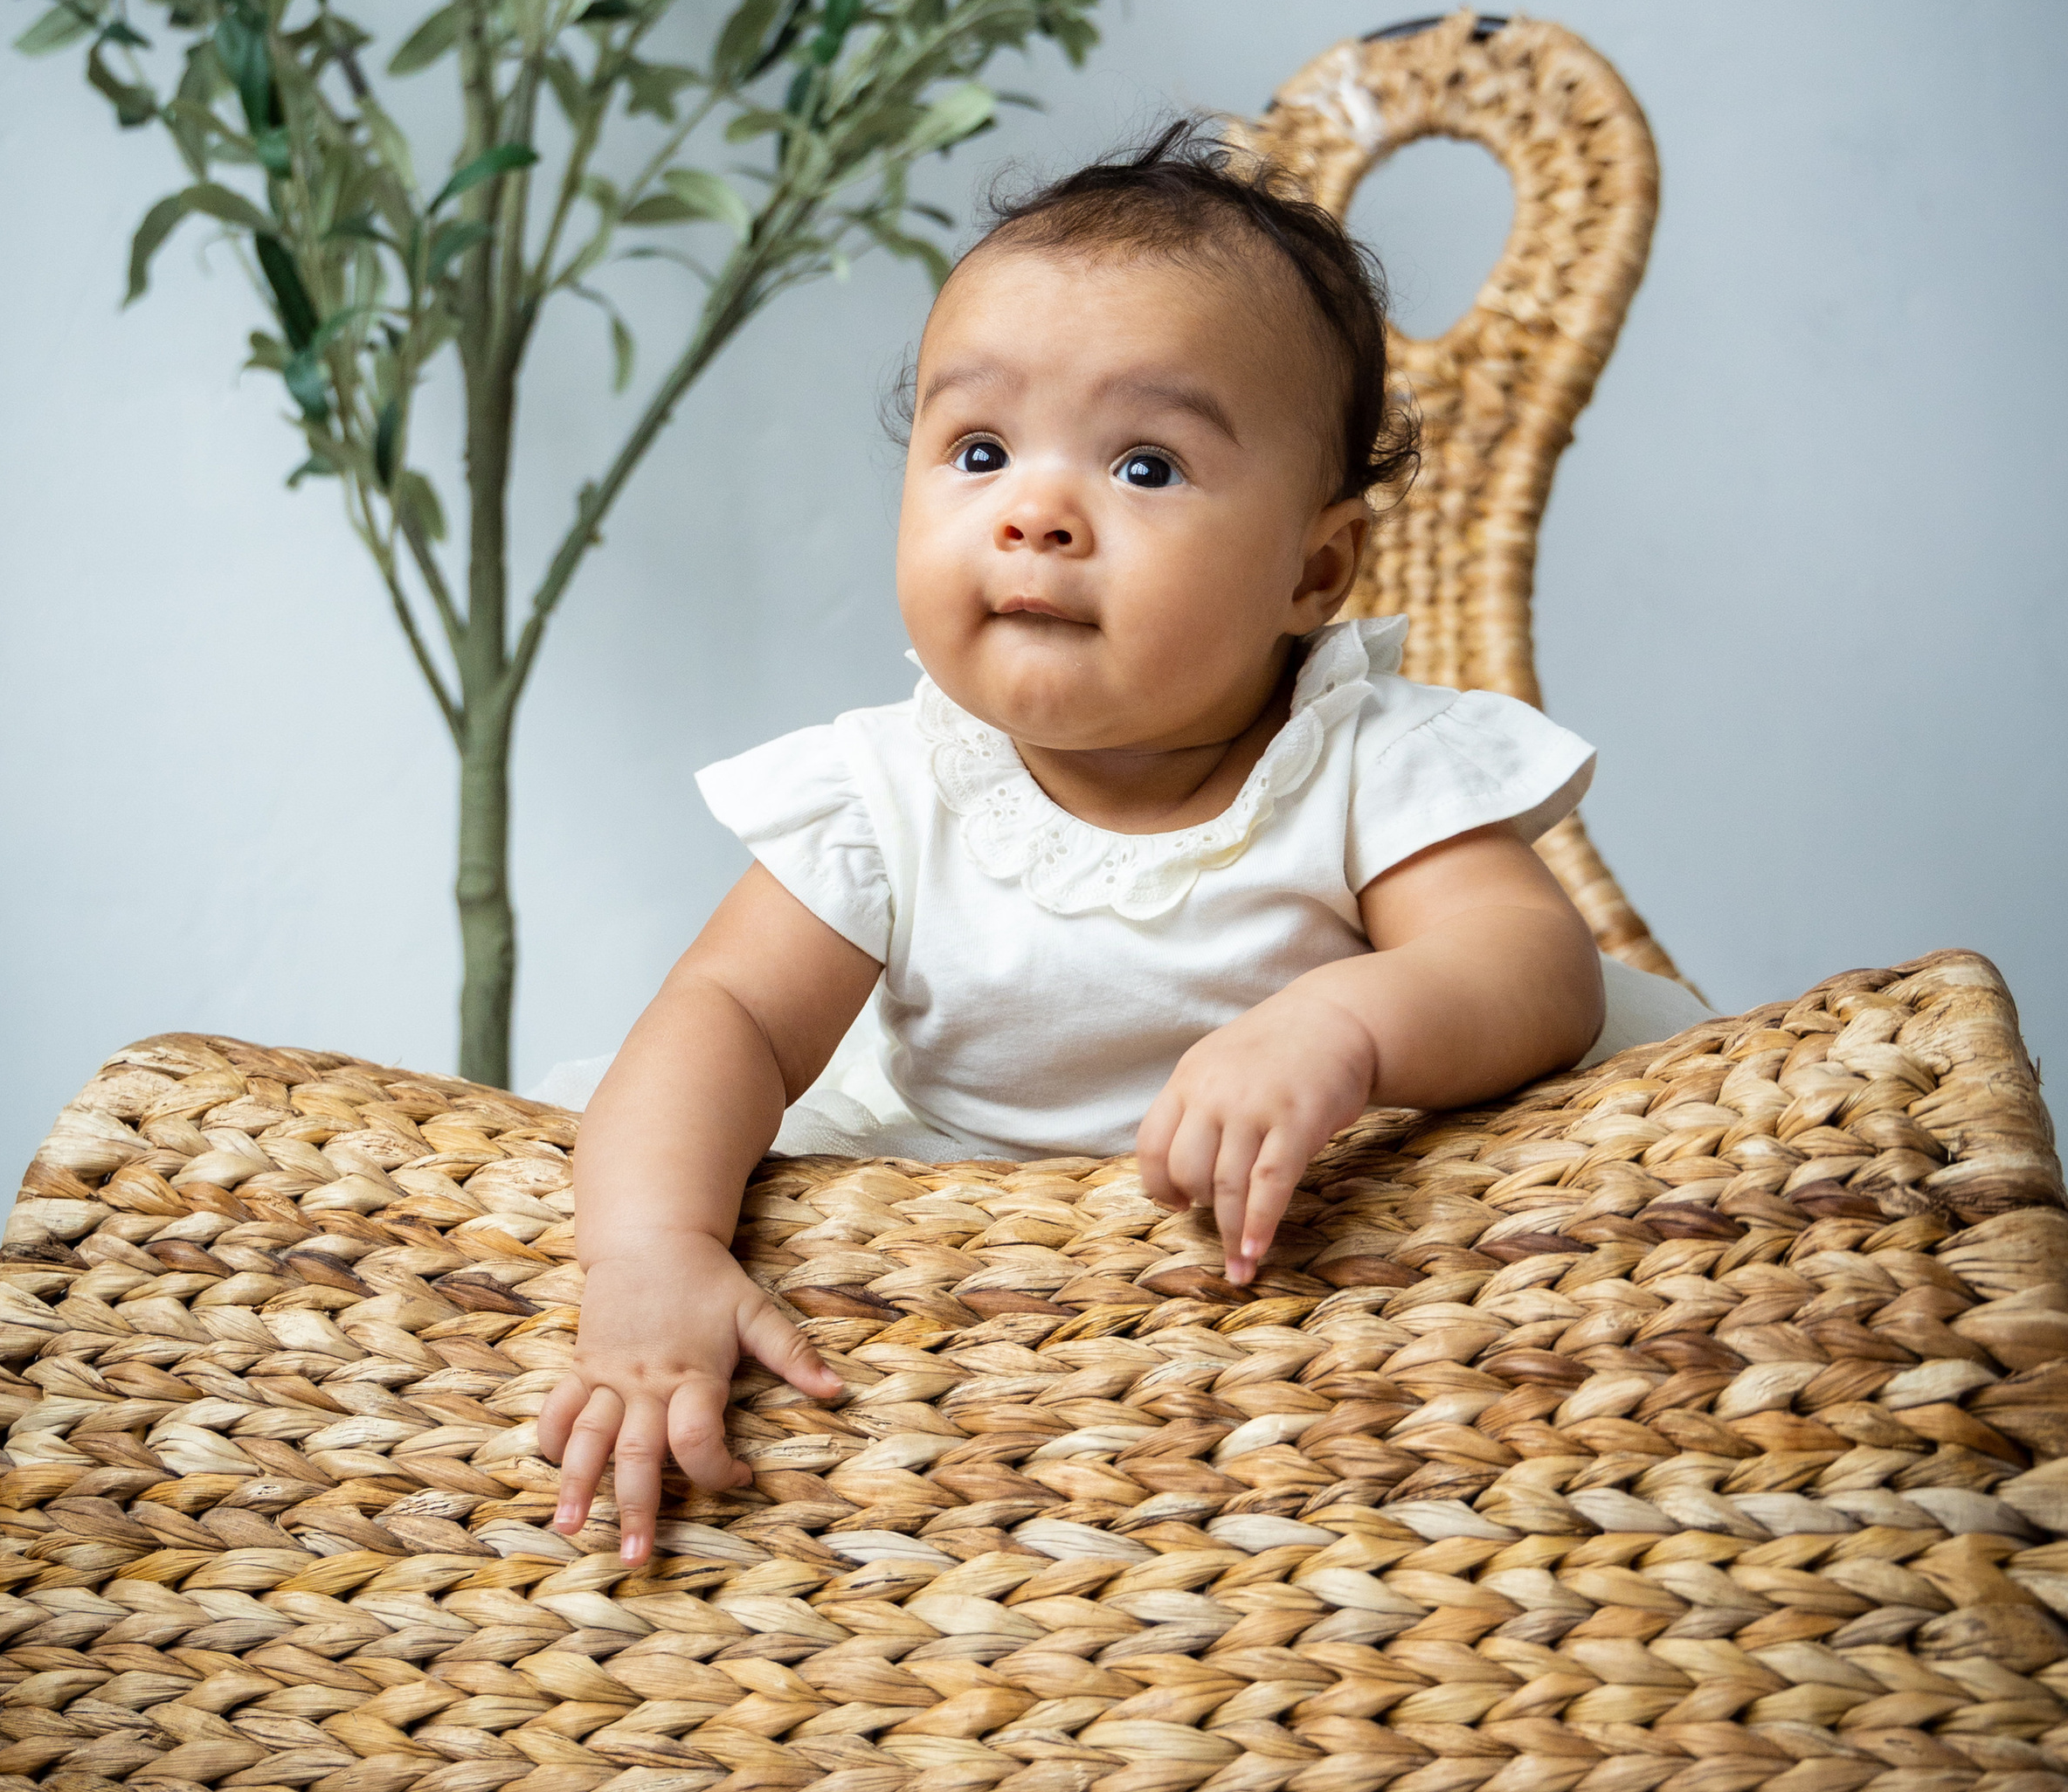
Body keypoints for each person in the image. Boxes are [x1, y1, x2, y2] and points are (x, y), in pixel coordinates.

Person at [535, 123, 1705, 1561]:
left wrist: (1346, 1025)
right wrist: (653, 1249)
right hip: (980, 1300)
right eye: (978, 449)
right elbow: (721, 1017)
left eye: (1145, 466)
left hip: (1331, 1324)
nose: (1035, 514)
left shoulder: (1358, 758)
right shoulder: (891, 789)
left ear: (1314, 568)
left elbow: (1528, 966)